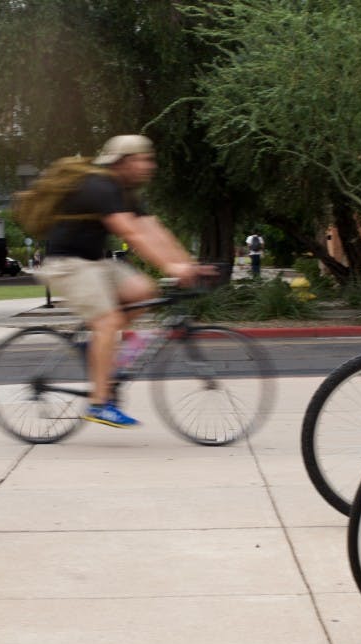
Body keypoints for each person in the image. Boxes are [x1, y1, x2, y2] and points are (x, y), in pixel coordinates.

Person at [35, 134, 213, 428]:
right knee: (107, 321)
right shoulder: (99, 185)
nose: (151, 166)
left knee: (144, 290)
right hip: (66, 264)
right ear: (126, 162)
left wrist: (188, 265)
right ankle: (99, 404)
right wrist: (171, 266)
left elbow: (155, 231)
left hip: (94, 262)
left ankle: (97, 351)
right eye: (146, 159)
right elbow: (131, 233)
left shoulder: (126, 191)